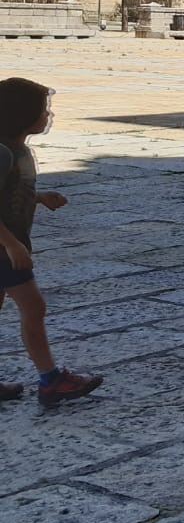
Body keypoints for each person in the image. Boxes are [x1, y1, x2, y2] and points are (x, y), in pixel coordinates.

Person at [0, 78, 101, 406]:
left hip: (9, 247)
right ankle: (50, 379)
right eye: (43, 110)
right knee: (34, 307)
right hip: (5, 251)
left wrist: (38, 197)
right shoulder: (2, 153)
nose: (48, 115)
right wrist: (12, 244)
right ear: (22, 114)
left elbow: (8, 193)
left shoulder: (18, 150)